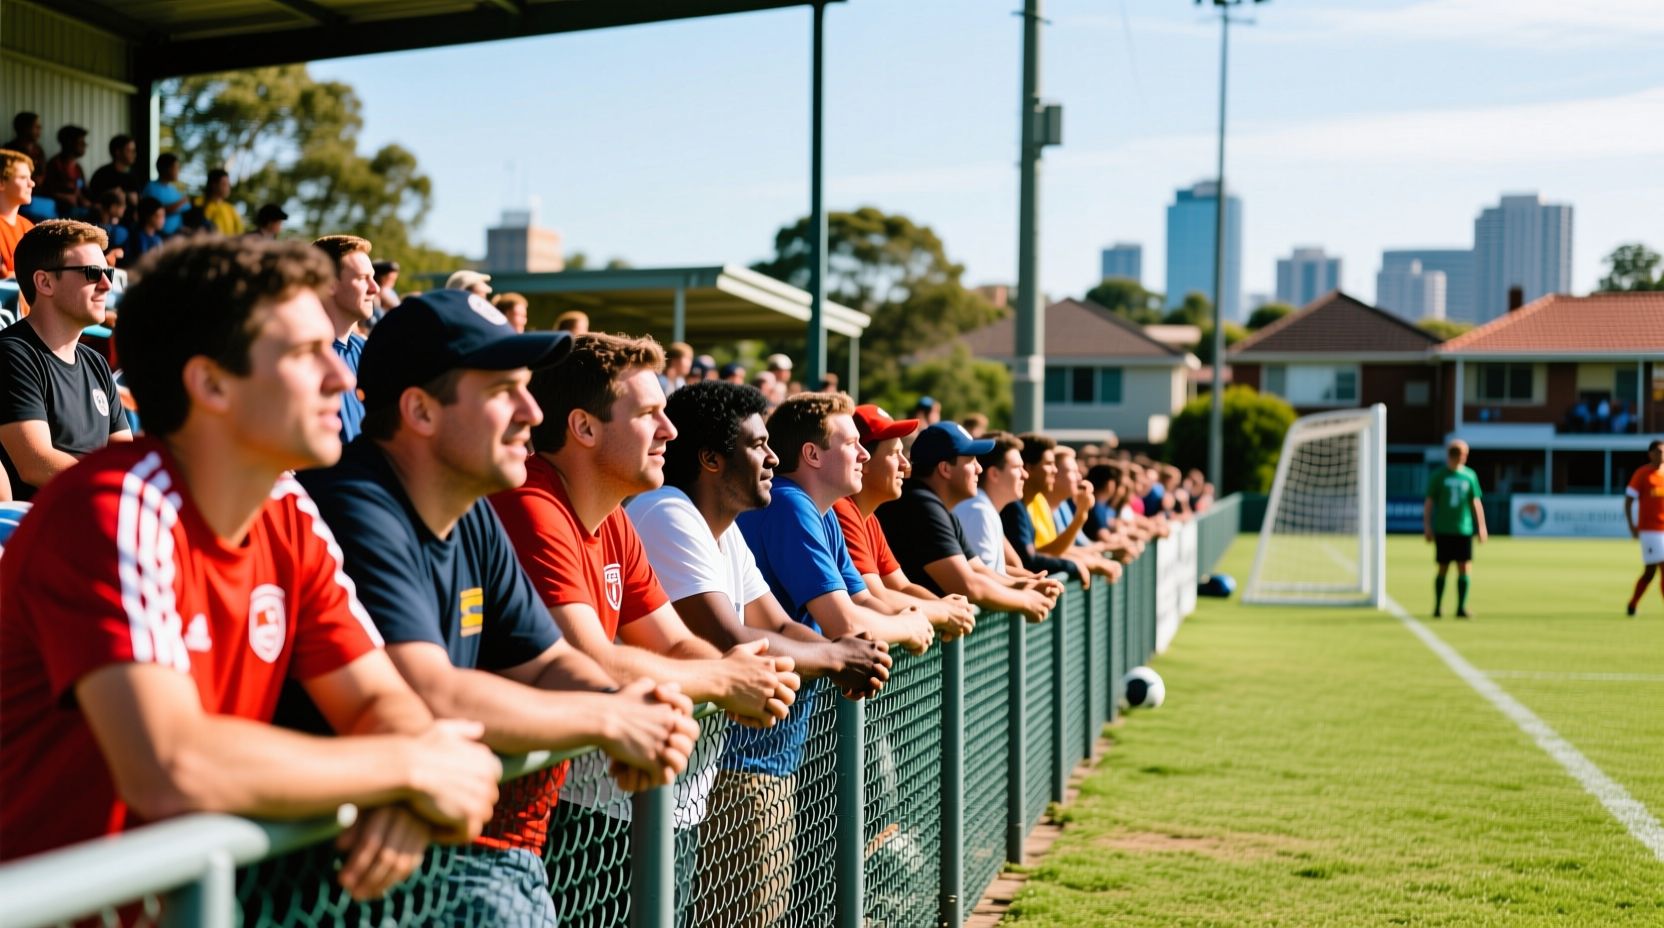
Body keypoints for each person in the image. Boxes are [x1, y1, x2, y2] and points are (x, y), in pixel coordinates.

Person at [0, 238, 504, 899]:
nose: (341, 378)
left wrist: (409, 772)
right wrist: (410, 768)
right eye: (303, 354)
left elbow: (380, 702)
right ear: (210, 383)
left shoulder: (286, 503)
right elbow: (171, 766)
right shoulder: (114, 508)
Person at [292, 290, 699, 923]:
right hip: (321, 882)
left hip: (428, 856)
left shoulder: (470, 510)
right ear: (421, 410)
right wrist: (613, 721)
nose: (531, 413)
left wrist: (624, 702)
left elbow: (547, 661)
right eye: (501, 391)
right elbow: (433, 691)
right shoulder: (353, 503)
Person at [494, 334, 803, 920]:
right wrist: (726, 681)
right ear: (583, 427)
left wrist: (730, 671)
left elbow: (675, 641)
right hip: (550, 822)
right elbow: (588, 656)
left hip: (566, 812)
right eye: (647, 414)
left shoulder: (611, 518)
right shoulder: (532, 503)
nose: (670, 430)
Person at [629, 379, 893, 926]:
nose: (774, 458)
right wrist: (842, 658)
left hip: (683, 788)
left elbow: (774, 622)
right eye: (757, 445)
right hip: (631, 796)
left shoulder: (723, 532)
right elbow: (730, 637)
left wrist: (842, 651)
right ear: (710, 459)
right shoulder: (669, 512)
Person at [738, 391, 933, 656]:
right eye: (852, 443)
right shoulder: (788, 503)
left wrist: (913, 620)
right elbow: (845, 624)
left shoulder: (823, 510)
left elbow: (861, 601)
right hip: (775, 690)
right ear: (812, 455)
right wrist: (908, 628)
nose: (863, 455)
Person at [0, 220, 131, 501]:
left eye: (107, 272)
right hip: (38, 533)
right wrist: (118, 491)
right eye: (92, 273)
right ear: (45, 282)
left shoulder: (96, 363)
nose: (106, 284)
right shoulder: (11, 354)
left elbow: (125, 458)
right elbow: (35, 464)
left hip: (96, 517)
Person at [876, 421, 1058, 623]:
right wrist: (1025, 601)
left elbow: (978, 570)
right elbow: (968, 586)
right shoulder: (920, 504)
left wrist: (1024, 585)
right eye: (971, 461)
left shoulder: (937, 506)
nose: (979, 469)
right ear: (945, 468)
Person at [839, 406, 980, 640]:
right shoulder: (841, 509)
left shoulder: (869, 518)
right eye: (894, 454)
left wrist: (946, 609)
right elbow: (876, 596)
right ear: (862, 459)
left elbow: (901, 586)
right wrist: (943, 613)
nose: (906, 465)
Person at [312, 235, 379, 443]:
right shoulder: (302, 357)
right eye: (362, 278)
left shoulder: (368, 352)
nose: (374, 288)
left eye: (373, 277)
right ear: (330, 284)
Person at [1424, 439, 1486, 619]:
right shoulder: (1439, 476)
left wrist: (1481, 526)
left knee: (1464, 567)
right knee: (1442, 568)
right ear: (1454, 455)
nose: (1465, 457)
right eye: (1463, 454)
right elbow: (1429, 503)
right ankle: (1437, 607)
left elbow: (1475, 502)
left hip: (1464, 530)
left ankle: (1461, 608)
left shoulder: (1470, 475)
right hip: (1444, 529)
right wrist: (1427, 526)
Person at [1624, 439, 1664, 616]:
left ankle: (1632, 605)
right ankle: (1632, 604)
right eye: (1658, 451)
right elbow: (1629, 500)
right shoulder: (1642, 473)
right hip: (1650, 530)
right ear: (1651, 454)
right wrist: (1632, 525)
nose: (1662, 454)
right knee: (1650, 572)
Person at [39, 125, 91, 218]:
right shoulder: (54, 165)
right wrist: (65, 197)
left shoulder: (78, 168)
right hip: (61, 213)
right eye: (81, 142)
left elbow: (82, 192)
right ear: (69, 143)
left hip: (78, 210)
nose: (85, 145)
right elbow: (45, 191)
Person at [0, 150, 35, 279]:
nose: (31, 183)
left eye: (30, 178)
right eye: (23, 178)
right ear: (1, 182)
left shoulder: (28, 227)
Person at [88, 134, 142, 209]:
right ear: (118, 152)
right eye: (129, 150)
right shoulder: (102, 174)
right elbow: (93, 199)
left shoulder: (132, 175)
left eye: (134, 150)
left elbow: (137, 201)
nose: (134, 154)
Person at [141, 153, 189, 236]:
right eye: (176, 167)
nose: (178, 171)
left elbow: (186, 208)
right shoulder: (151, 187)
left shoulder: (173, 189)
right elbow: (155, 211)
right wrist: (181, 202)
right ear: (166, 169)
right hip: (159, 235)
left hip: (178, 233)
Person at [122, 197, 166, 268]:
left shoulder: (157, 238)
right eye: (158, 216)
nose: (162, 220)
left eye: (163, 216)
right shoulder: (138, 237)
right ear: (148, 216)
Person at [1, 113, 45, 180]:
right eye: (36, 127)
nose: (40, 129)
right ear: (25, 128)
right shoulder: (8, 151)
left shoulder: (38, 150)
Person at [200, 168, 243, 236]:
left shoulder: (231, 209)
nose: (228, 187)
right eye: (224, 184)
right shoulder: (200, 203)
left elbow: (240, 233)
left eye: (228, 184)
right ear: (214, 185)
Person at [91, 189, 128, 265]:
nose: (125, 207)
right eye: (122, 205)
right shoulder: (112, 231)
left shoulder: (108, 224)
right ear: (113, 207)